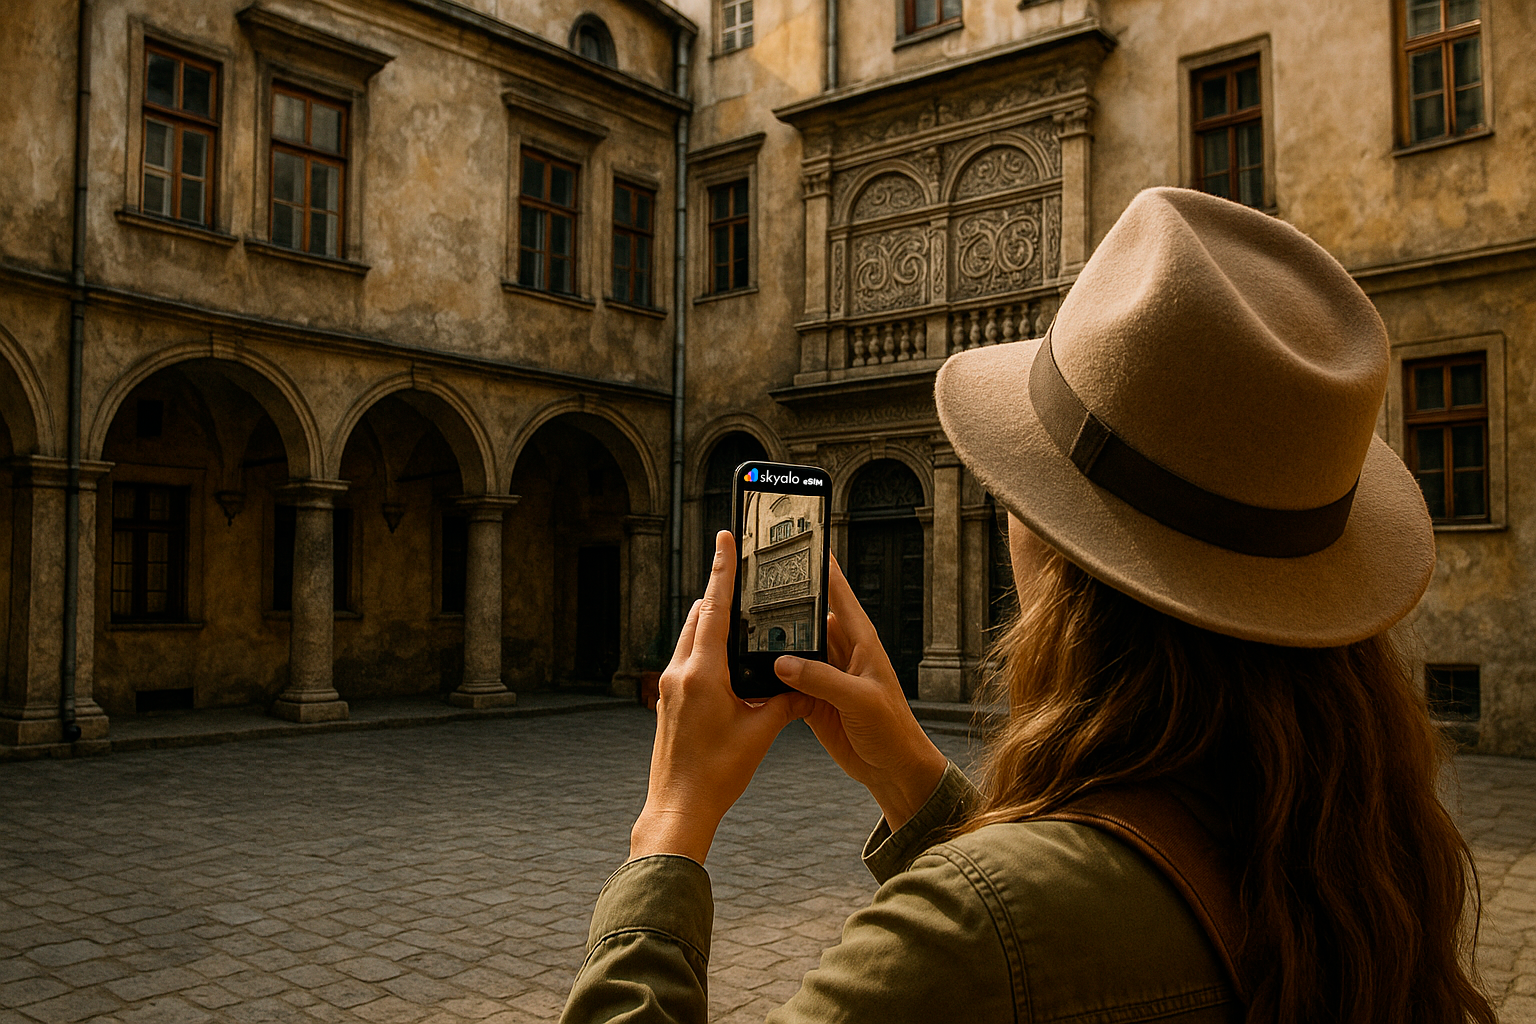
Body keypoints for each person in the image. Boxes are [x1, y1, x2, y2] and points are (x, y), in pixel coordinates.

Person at [558, 188, 1497, 1024]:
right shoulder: (1360, 853)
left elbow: (1015, 930)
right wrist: (917, 782)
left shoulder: (967, 933)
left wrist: (670, 828)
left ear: (1053, 539)